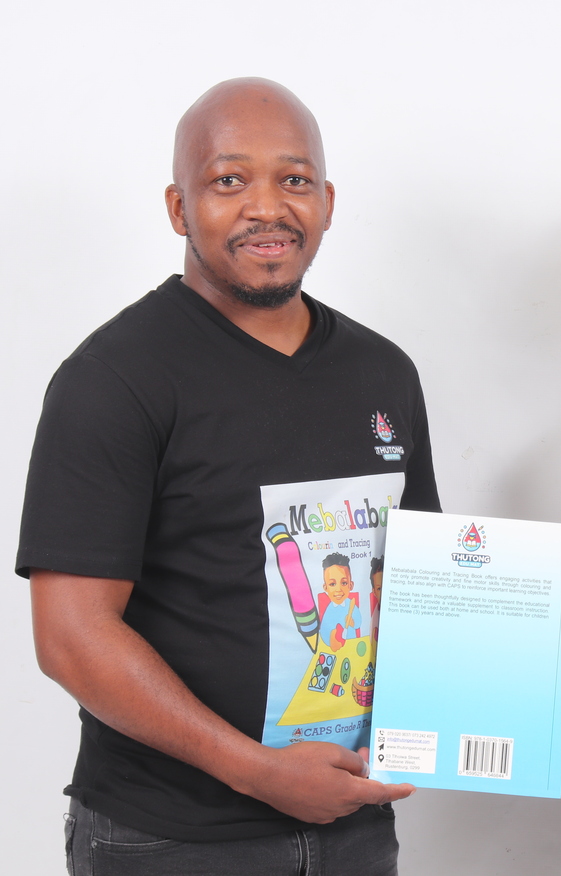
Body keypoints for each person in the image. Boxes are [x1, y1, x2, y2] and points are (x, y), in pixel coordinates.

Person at [17, 78, 441, 876]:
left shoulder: (384, 372)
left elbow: (419, 587)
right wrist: (258, 772)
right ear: (179, 208)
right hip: (169, 840)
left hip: (352, 822)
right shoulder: (115, 378)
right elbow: (71, 637)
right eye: (228, 180)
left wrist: (511, 657)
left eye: (294, 179)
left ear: (327, 202)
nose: (267, 207)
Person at [321, 554, 361, 649]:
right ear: (325, 588)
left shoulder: (351, 605)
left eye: (344, 583)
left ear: (350, 585)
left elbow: (358, 622)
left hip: (351, 645)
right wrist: (331, 640)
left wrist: (353, 622)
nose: (338, 589)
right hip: (334, 647)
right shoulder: (329, 610)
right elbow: (324, 630)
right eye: (332, 584)